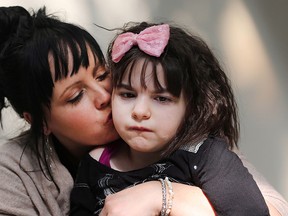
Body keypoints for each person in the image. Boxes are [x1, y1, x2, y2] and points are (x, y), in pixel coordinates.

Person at [0, 5, 287, 216]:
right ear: (39, 122)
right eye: (76, 96)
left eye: (102, 75)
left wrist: (164, 196)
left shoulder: (195, 144)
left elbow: (268, 209)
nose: (105, 96)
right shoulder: (16, 171)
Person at [69, 22, 270, 216]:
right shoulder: (95, 163)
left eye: (161, 98)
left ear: (190, 108)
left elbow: (253, 212)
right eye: (127, 95)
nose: (140, 111)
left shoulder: (204, 154)